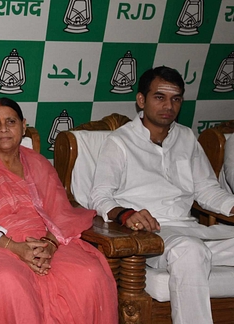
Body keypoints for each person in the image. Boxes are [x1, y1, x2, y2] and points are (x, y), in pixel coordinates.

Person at [0, 97, 117, 324]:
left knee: (89, 273)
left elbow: (61, 212)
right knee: (11, 280)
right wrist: (17, 248)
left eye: (11, 121)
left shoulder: (39, 163)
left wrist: (50, 246)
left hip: (46, 240)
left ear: (23, 126)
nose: (3, 129)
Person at [90, 66, 234, 324]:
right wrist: (126, 214)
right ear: (141, 100)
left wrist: (232, 206)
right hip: (151, 236)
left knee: (194, 247)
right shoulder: (120, 142)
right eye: (160, 97)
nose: (169, 105)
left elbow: (206, 189)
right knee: (191, 251)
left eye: (175, 99)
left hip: (191, 229)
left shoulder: (187, 137)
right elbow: (100, 196)